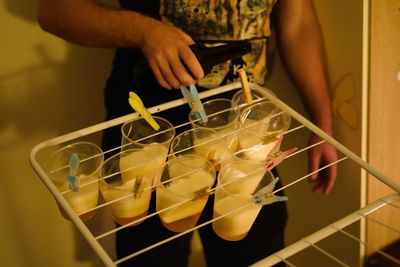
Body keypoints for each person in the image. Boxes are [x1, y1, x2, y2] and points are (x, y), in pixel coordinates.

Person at [37, 0, 338, 266]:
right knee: (152, 256)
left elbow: (298, 24)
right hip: (148, 129)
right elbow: (56, 11)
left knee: (256, 252)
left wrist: (322, 123)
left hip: (246, 130)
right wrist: (146, 31)